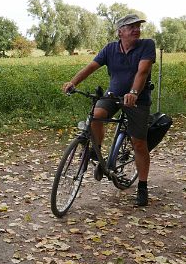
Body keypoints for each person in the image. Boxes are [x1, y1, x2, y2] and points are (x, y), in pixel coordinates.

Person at [62, 14, 156, 206]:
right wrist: (73, 82)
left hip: (137, 99)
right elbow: (91, 67)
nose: (136, 30)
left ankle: (142, 187)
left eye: (138, 26)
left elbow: (143, 71)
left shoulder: (147, 45)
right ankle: (96, 151)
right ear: (120, 31)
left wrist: (134, 92)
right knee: (96, 115)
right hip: (112, 95)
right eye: (131, 27)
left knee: (139, 143)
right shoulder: (110, 49)